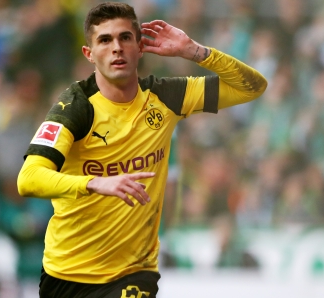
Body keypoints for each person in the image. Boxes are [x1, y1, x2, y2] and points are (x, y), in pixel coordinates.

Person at [17, 2, 267, 297]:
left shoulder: (167, 96)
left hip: (133, 273)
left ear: (140, 46)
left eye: (125, 38)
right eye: (105, 40)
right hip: (67, 274)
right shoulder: (74, 108)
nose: (117, 48)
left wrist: (193, 51)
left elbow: (252, 87)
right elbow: (29, 178)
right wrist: (96, 182)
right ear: (89, 54)